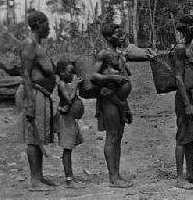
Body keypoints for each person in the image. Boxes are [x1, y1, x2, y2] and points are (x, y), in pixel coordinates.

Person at [91, 23, 134, 188]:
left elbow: (125, 81)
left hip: (121, 101)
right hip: (109, 99)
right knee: (112, 136)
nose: (122, 37)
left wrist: (127, 107)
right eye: (118, 34)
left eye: (123, 34)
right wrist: (111, 79)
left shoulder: (121, 55)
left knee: (119, 138)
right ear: (109, 37)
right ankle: (113, 177)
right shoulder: (104, 54)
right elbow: (93, 75)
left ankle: (117, 174)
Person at [20, 10, 57, 191]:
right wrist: (29, 103)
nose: (49, 28)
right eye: (47, 24)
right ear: (38, 25)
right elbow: (25, 74)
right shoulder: (29, 44)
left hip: (42, 94)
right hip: (33, 94)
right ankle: (34, 180)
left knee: (39, 135)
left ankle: (40, 176)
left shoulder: (39, 44)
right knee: (33, 137)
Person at [173, 14, 193, 189]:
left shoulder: (189, 48)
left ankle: (190, 173)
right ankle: (180, 178)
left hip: (192, 97)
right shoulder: (180, 48)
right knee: (182, 137)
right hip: (184, 98)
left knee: (190, 137)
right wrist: (186, 103)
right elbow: (178, 77)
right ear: (187, 27)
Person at [55, 60, 85, 189]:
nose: (72, 74)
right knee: (67, 149)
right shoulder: (62, 84)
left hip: (70, 119)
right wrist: (75, 85)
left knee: (70, 148)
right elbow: (69, 99)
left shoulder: (66, 83)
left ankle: (71, 176)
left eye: (73, 71)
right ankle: (68, 179)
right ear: (61, 73)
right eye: (70, 72)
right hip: (65, 120)